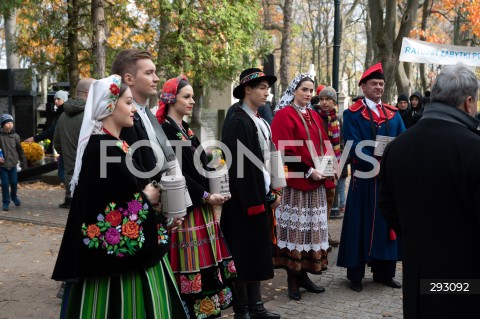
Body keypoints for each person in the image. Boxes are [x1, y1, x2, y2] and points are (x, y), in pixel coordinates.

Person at [52, 75, 186, 318]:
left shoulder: (114, 145)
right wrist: (146, 196)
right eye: (127, 102)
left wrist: (152, 203)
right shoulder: (102, 148)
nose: (133, 108)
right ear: (109, 106)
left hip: (122, 258)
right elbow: (104, 208)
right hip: (115, 265)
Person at [379, 64, 480, 319]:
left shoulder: (397, 147)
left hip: (419, 275)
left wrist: (416, 236)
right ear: (469, 102)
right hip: (465, 281)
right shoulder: (474, 149)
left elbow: (387, 207)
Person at [156, 76, 236, 318]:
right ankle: (191, 309)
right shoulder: (167, 130)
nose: (191, 101)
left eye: (192, 96)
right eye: (186, 97)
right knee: (190, 260)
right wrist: (204, 195)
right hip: (188, 207)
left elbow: (199, 164)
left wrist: (218, 181)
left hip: (202, 206)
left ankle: (207, 308)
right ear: (171, 100)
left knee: (205, 259)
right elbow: (177, 173)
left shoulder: (185, 129)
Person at [336, 62, 405, 292]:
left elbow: (403, 141)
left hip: (387, 181)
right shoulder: (352, 114)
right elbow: (353, 144)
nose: (378, 87)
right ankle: (355, 275)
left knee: (386, 226)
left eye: (381, 84)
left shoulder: (393, 115)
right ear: (363, 87)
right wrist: (376, 160)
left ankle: (384, 273)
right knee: (360, 224)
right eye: (374, 84)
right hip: (364, 180)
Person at [221, 68, 281, 319]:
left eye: (267, 88)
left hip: (260, 196)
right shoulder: (237, 119)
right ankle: (242, 310)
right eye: (262, 88)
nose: (267, 93)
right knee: (242, 255)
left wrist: (275, 189)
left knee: (256, 253)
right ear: (247, 89)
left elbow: (270, 156)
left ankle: (256, 307)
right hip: (244, 202)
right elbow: (240, 168)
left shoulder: (260, 120)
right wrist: (256, 200)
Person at [271, 74, 330, 301]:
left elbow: (324, 144)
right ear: (294, 90)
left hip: (315, 183)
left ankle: (304, 276)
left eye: (310, 90)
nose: (308, 94)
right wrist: (308, 170)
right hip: (295, 182)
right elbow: (283, 151)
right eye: (304, 89)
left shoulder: (314, 116)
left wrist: (327, 167)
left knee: (310, 233)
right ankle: (292, 280)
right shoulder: (283, 115)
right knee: (295, 233)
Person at [111, 49, 174, 184]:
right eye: (149, 73)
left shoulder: (146, 113)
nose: (156, 78)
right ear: (129, 79)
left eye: (155, 72)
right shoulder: (124, 119)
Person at [54, 78, 94, 209]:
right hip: (89, 178)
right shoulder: (91, 115)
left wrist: (67, 154)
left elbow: (57, 143)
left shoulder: (62, 116)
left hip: (70, 177)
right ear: (88, 93)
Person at [26, 90, 68, 206]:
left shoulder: (63, 114)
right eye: (55, 99)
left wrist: (35, 138)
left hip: (67, 148)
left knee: (62, 173)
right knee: (65, 173)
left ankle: (72, 197)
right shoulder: (61, 112)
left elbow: (52, 131)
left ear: (64, 99)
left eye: (58, 99)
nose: (56, 101)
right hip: (65, 147)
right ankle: (70, 198)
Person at [0, 114, 27, 211]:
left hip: (13, 164)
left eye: (11, 123)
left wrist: (24, 163)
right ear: (2, 125)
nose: (10, 125)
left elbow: (20, 150)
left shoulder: (16, 136)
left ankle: (14, 197)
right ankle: (5, 202)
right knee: (5, 184)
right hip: (3, 165)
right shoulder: (0, 136)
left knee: (14, 182)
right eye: (7, 123)